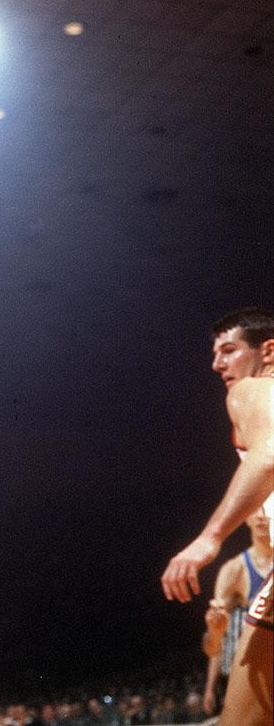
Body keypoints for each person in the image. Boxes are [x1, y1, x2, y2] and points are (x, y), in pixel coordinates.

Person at [161, 307, 274, 726]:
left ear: (269, 350)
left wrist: (210, 537)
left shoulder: (251, 390)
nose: (217, 364)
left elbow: (269, 454)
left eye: (228, 350)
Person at [201, 510, 272, 715]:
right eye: (256, 510)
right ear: (246, 517)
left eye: (267, 509)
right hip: (248, 679)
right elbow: (213, 646)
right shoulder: (233, 570)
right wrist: (209, 688)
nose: (261, 516)